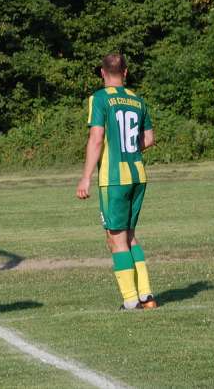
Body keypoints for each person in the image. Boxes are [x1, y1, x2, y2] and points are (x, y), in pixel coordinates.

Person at [76, 53, 158, 310]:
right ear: (125, 72)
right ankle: (146, 295)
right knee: (129, 236)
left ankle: (131, 300)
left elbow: (96, 138)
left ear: (102, 72)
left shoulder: (100, 98)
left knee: (115, 239)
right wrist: (130, 150)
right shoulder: (137, 100)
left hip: (114, 178)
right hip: (138, 175)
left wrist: (85, 177)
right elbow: (149, 138)